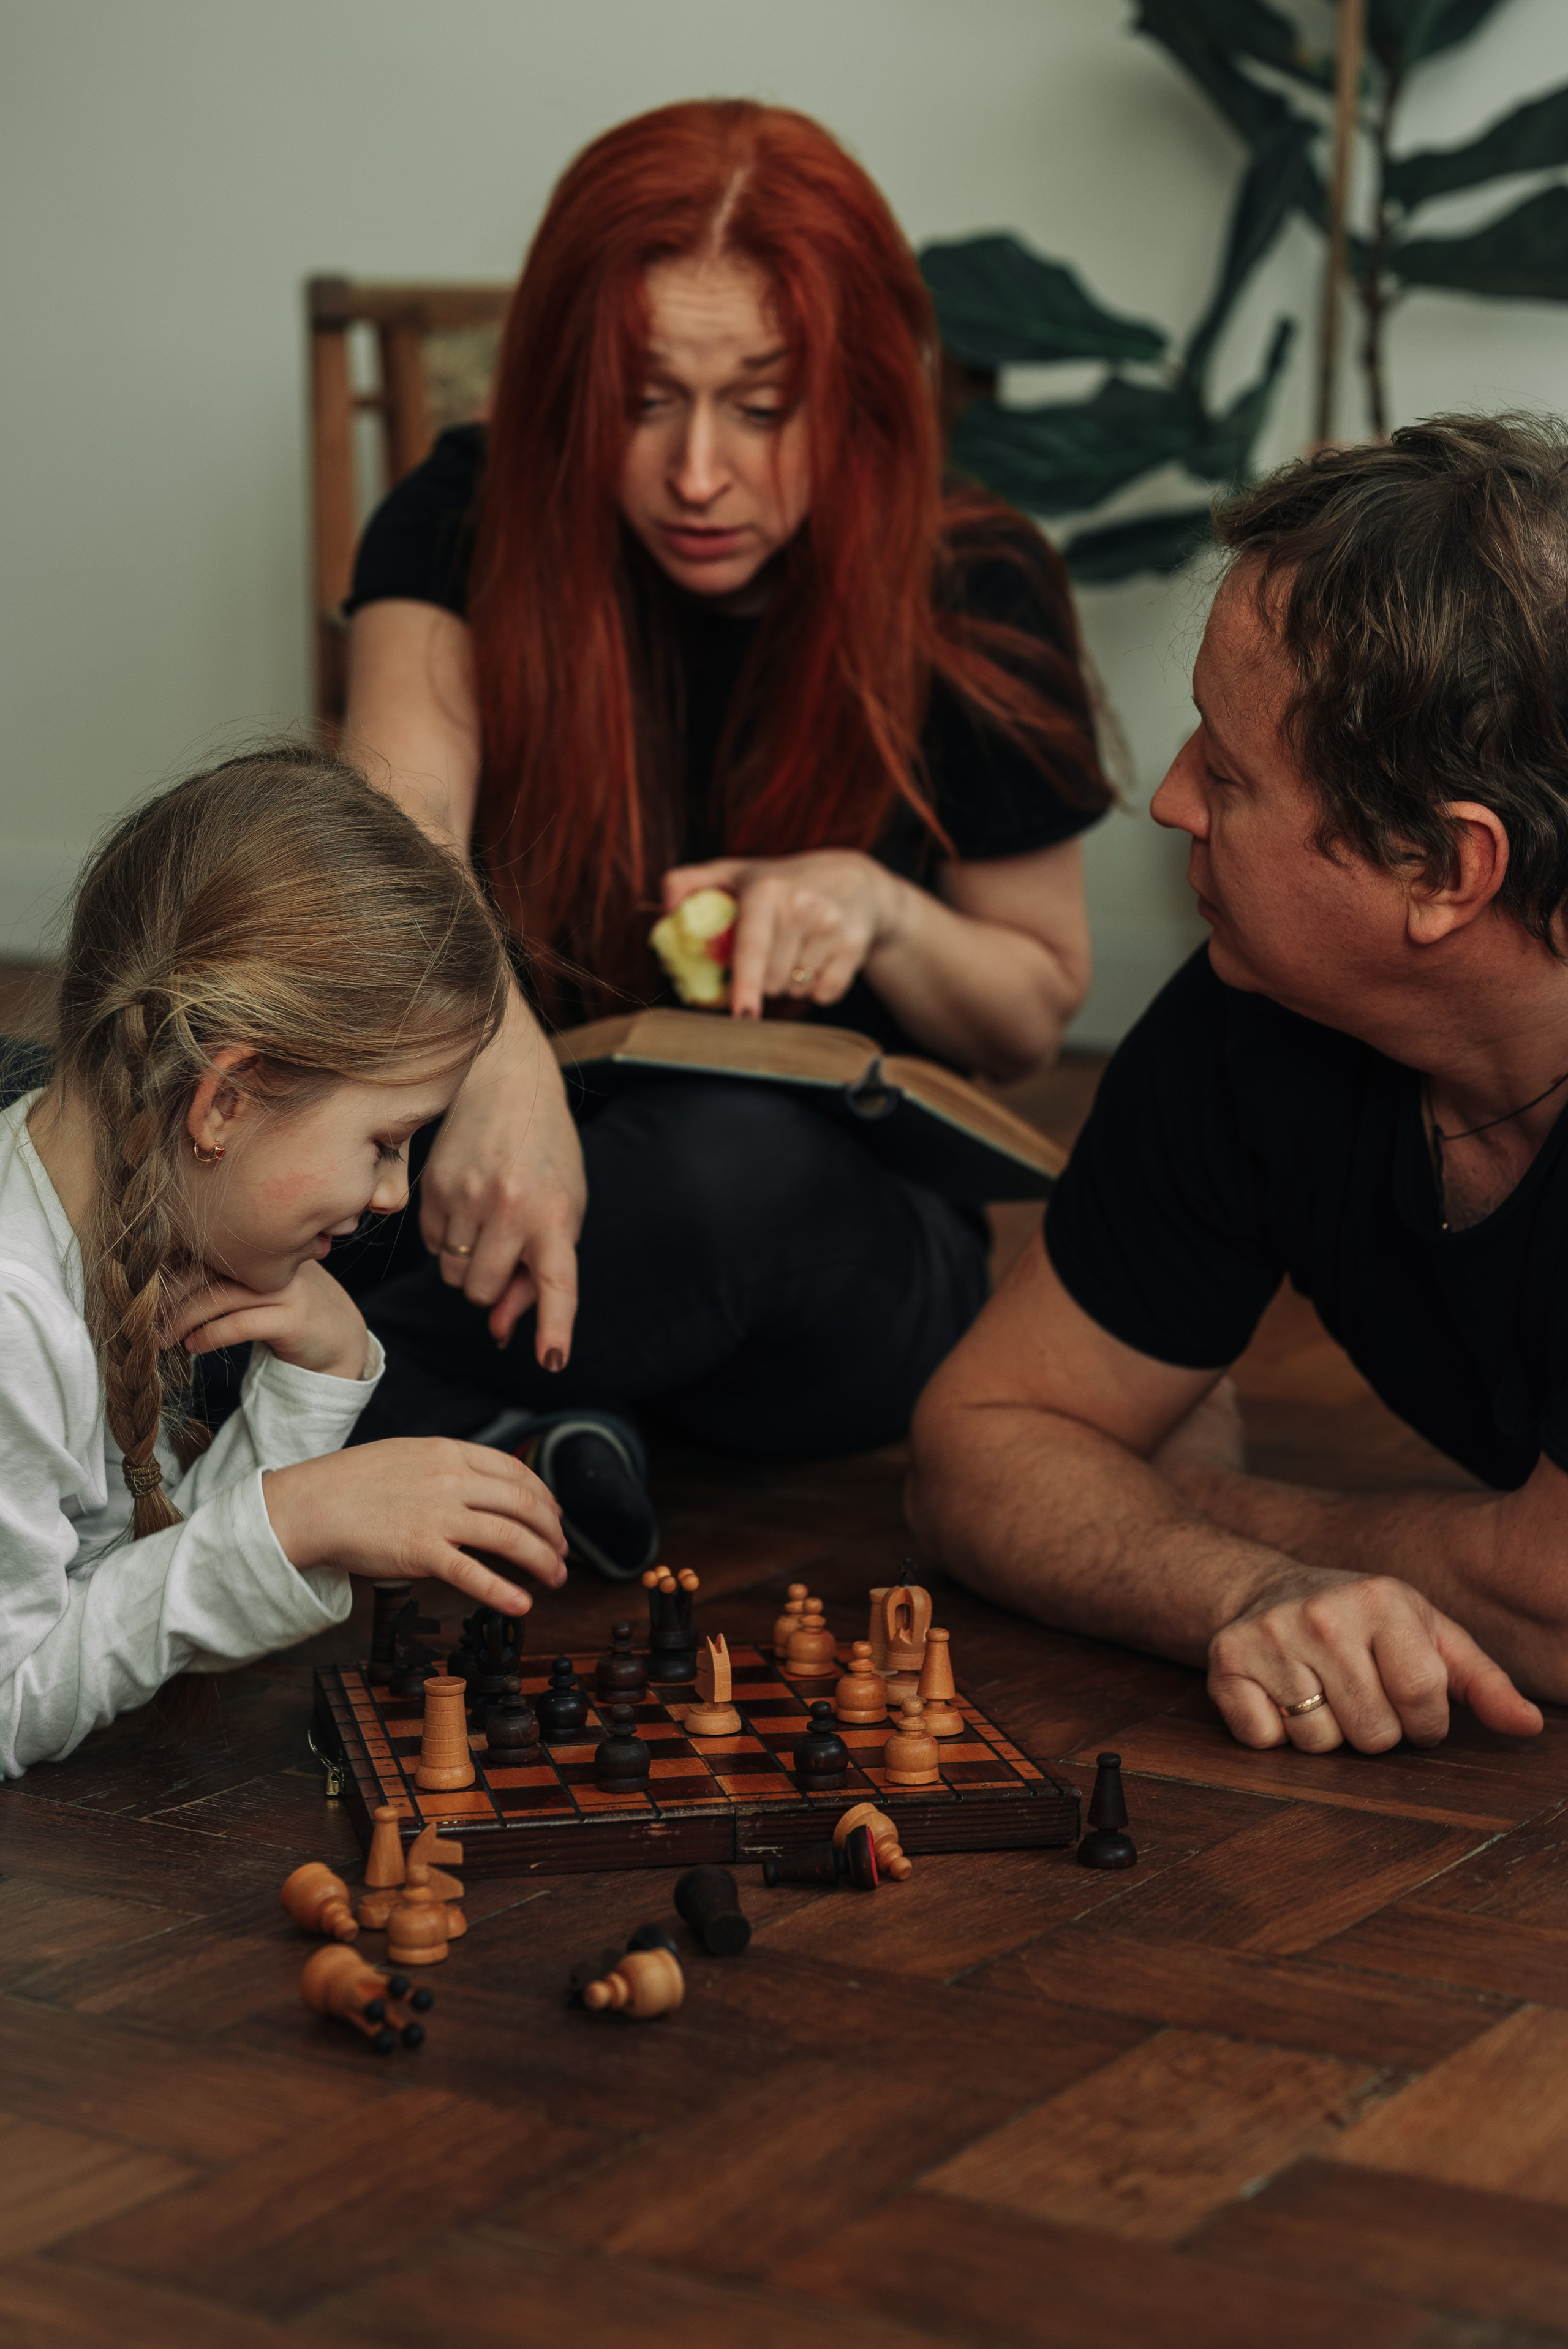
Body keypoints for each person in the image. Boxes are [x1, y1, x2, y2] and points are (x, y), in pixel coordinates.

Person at [337, 97, 1112, 1577]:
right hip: (494, 1180)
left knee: (731, 1165)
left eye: (762, 407)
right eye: (642, 401)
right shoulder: (464, 514)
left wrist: (877, 910)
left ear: (865, 389)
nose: (699, 474)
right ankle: (518, 1441)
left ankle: (242, 1386)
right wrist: (502, 1073)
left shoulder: (972, 579)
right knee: (166, 1101)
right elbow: (399, 838)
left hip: (823, 1257)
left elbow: (1028, 1010)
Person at [908, 414, 1568, 1759]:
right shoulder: (1252, 1017)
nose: (1163, 802)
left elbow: (1551, 1597)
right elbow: (975, 1445)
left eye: (1225, 770)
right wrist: (1248, 1588)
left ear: (1445, 871)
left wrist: (1199, 1493)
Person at [1, 747, 567, 1777]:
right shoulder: (10, 1312)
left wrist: (320, 1370)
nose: (395, 1193)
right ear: (226, 1101)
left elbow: (127, 1584)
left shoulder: (112, 1226)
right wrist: (296, 1519)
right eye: (385, 1142)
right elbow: (10, 1700)